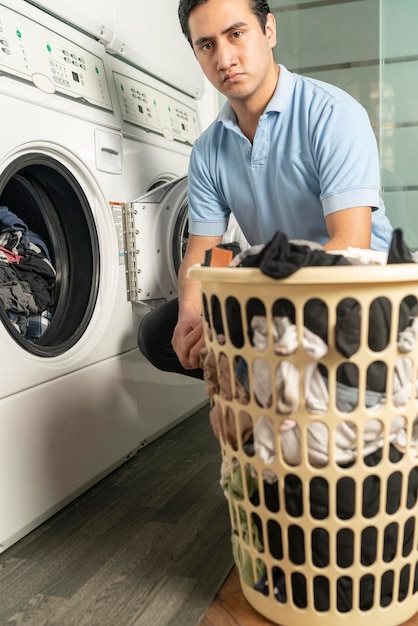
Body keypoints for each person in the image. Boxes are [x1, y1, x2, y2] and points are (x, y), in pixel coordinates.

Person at [138, 0, 393, 379]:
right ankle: (262, 395)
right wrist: (193, 314)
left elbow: (350, 249)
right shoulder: (209, 149)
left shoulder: (333, 114)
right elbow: (204, 252)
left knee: (253, 330)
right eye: (207, 45)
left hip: (356, 292)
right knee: (160, 334)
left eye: (236, 34)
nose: (224, 59)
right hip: (276, 288)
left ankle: (274, 390)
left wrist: (240, 316)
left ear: (269, 30)